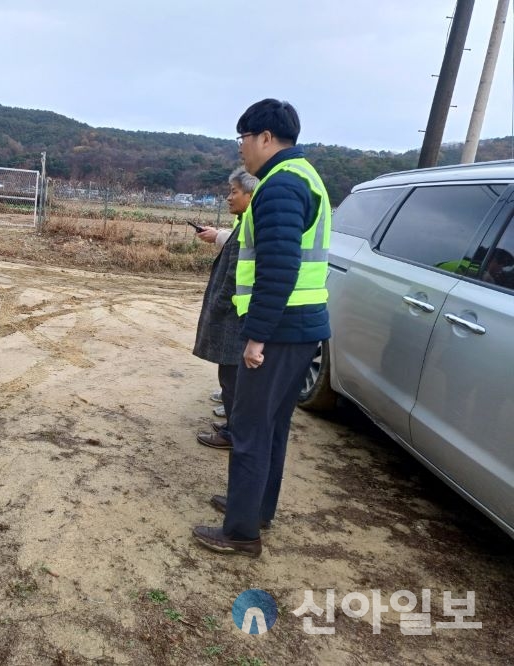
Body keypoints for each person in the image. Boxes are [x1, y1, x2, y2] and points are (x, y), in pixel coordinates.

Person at [193, 99, 332, 558]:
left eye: (243, 140)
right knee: (272, 426)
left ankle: (240, 533)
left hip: (280, 328)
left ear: (266, 138)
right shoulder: (304, 177)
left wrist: (255, 336)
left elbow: (278, 267)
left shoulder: (280, 186)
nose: (241, 150)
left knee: (251, 428)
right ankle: (252, 509)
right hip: (301, 326)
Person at [191, 167, 258, 449]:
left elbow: (234, 275)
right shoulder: (245, 224)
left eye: (234, 192)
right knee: (229, 377)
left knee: (231, 379)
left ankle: (232, 434)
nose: (228, 197)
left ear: (250, 194)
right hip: (234, 314)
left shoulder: (249, 226)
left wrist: (218, 306)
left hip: (233, 316)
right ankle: (232, 425)